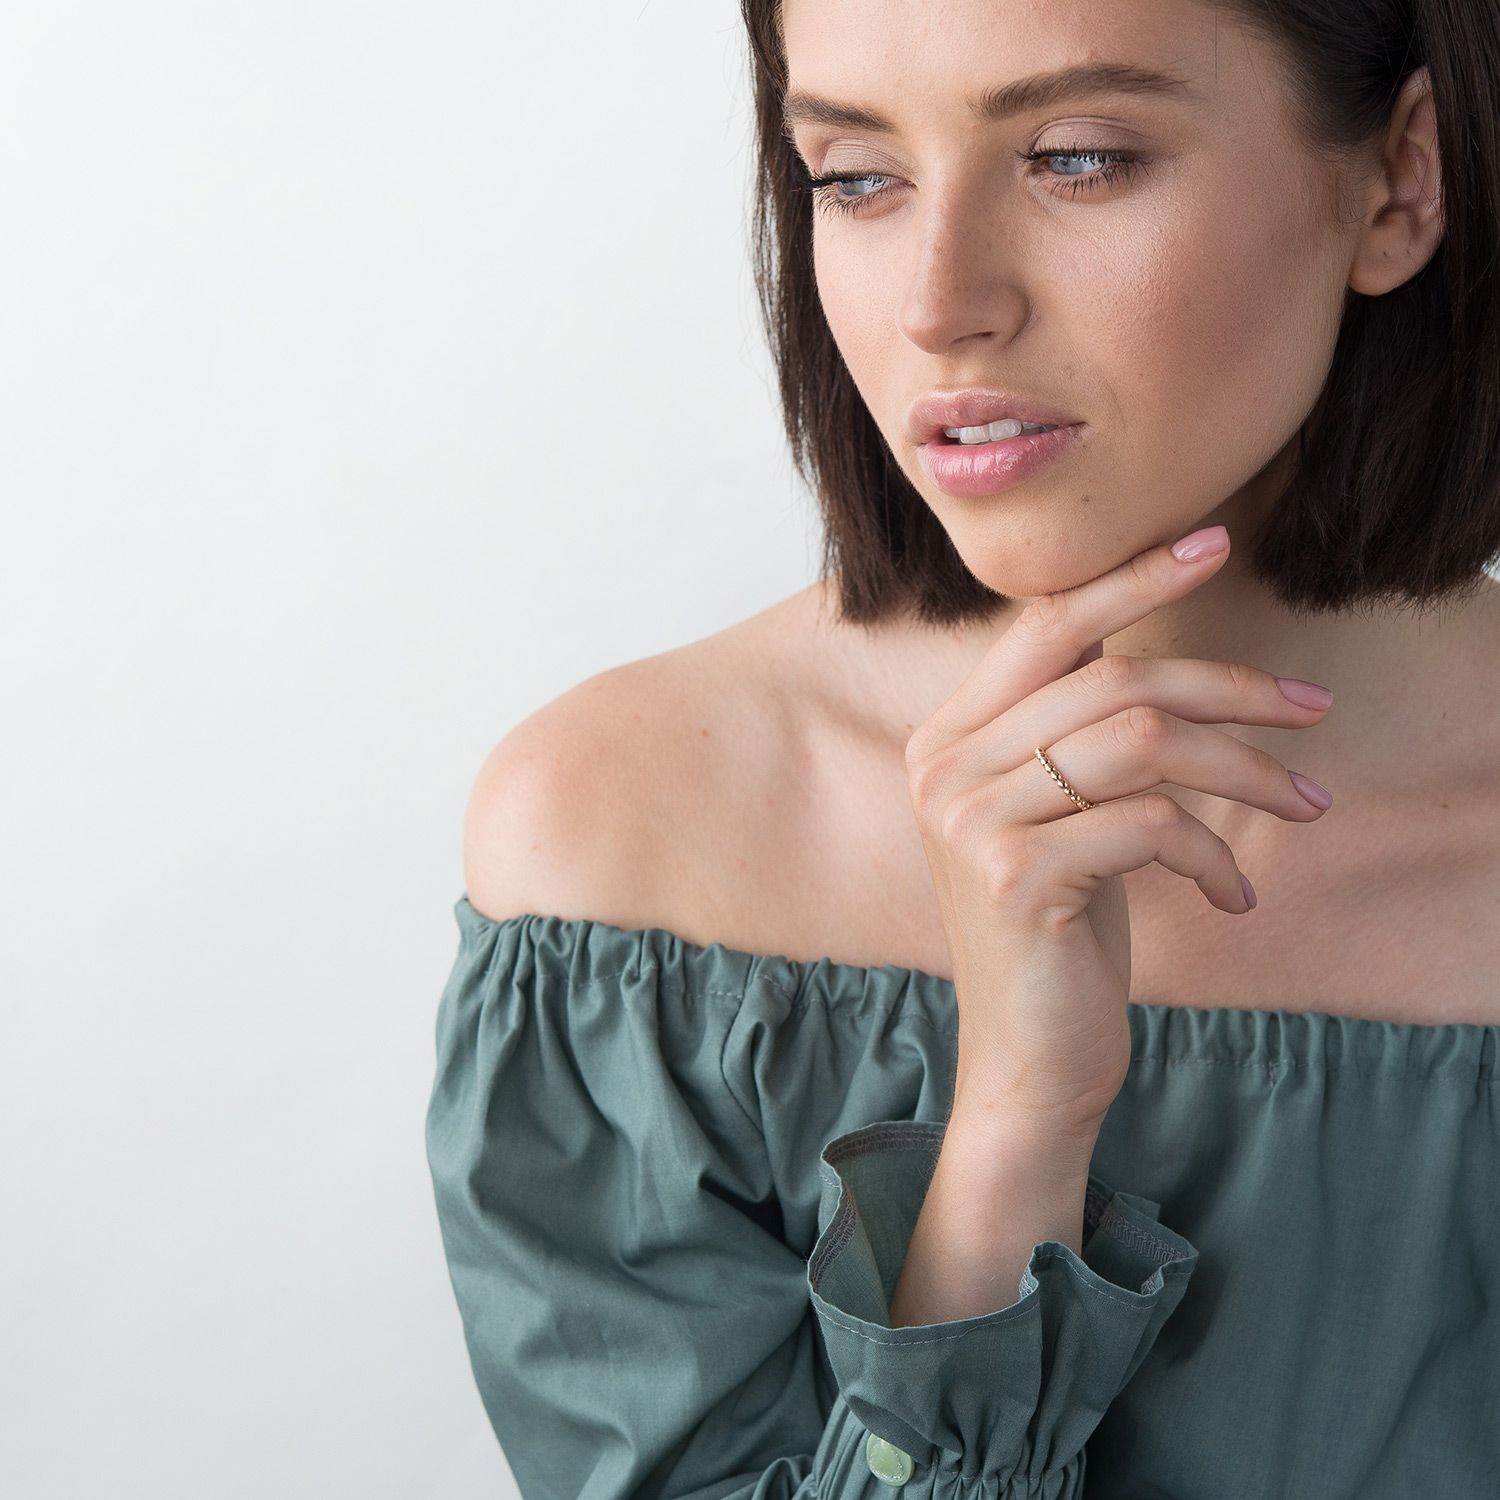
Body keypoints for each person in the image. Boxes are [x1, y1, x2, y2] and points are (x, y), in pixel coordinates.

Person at [427, 0, 1500, 1494]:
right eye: (857, 177)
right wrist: (1012, 1133)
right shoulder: (617, 851)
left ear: (1399, 179)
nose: (939, 306)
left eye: (1077, 157)